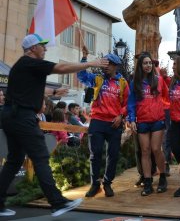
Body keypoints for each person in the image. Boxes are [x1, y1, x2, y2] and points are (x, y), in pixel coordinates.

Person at [0, 34, 107, 217]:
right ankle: (57, 203)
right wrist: (90, 63)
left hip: (12, 115)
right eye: (42, 46)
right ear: (33, 48)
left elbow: (35, 89)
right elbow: (61, 67)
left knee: (15, 160)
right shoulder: (31, 62)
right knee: (41, 157)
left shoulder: (23, 66)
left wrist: (55, 91)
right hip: (22, 116)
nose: (45, 48)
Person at [77, 47, 130, 198]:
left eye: (109, 64)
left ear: (115, 66)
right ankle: (95, 184)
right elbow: (81, 76)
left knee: (113, 154)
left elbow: (128, 103)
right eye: (104, 63)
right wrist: (84, 57)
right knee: (96, 154)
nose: (105, 66)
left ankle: (107, 183)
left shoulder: (122, 83)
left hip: (114, 123)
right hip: (98, 121)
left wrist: (121, 115)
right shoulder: (97, 79)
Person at [127, 52, 169, 196]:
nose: (148, 65)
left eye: (150, 63)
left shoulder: (159, 80)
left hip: (157, 119)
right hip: (142, 120)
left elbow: (166, 96)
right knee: (144, 151)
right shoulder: (135, 83)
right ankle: (148, 181)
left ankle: (162, 177)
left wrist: (164, 111)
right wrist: (132, 119)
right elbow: (131, 103)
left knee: (156, 149)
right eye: (145, 63)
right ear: (140, 65)